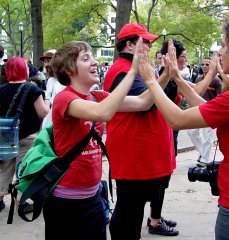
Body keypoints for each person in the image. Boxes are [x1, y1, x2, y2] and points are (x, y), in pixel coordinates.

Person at [138, 17, 229, 239]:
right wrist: (176, 77)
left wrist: (150, 80)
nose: (219, 52)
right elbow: (210, 110)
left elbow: (177, 119)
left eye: (224, 45)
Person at [44, 38, 157, 240]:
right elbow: (102, 113)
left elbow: (144, 102)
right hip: (65, 203)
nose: (95, 62)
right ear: (69, 69)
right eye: (86, 58)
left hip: (94, 198)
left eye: (93, 57)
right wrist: (132, 71)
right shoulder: (64, 98)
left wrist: (168, 74)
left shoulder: (98, 96)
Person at [103, 23, 178, 239]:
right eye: (144, 42)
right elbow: (146, 102)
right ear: (129, 45)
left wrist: (167, 74)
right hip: (134, 152)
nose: (149, 46)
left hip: (142, 152)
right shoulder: (122, 70)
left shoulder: (134, 69)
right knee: (129, 207)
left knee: (135, 206)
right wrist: (166, 73)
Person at [0, 57, 50, 212]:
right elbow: (43, 112)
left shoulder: (1, 89)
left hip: (6, 136)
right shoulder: (33, 89)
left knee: (5, 168)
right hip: (27, 137)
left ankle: (0, 199)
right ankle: (21, 202)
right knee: (23, 170)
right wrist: (47, 101)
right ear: (25, 70)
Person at [187, 57, 221, 166]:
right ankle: (204, 153)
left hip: (210, 111)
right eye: (203, 64)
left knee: (208, 136)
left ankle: (205, 159)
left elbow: (219, 97)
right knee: (191, 132)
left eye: (207, 64)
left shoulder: (216, 80)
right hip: (198, 110)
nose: (204, 66)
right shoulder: (198, 79)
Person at [40, 49, 65, 127]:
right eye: (45, 61)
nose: (46, 65)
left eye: (49, 61)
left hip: (60, 124)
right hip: (48, 124)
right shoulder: (50, 80)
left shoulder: (66, 80)